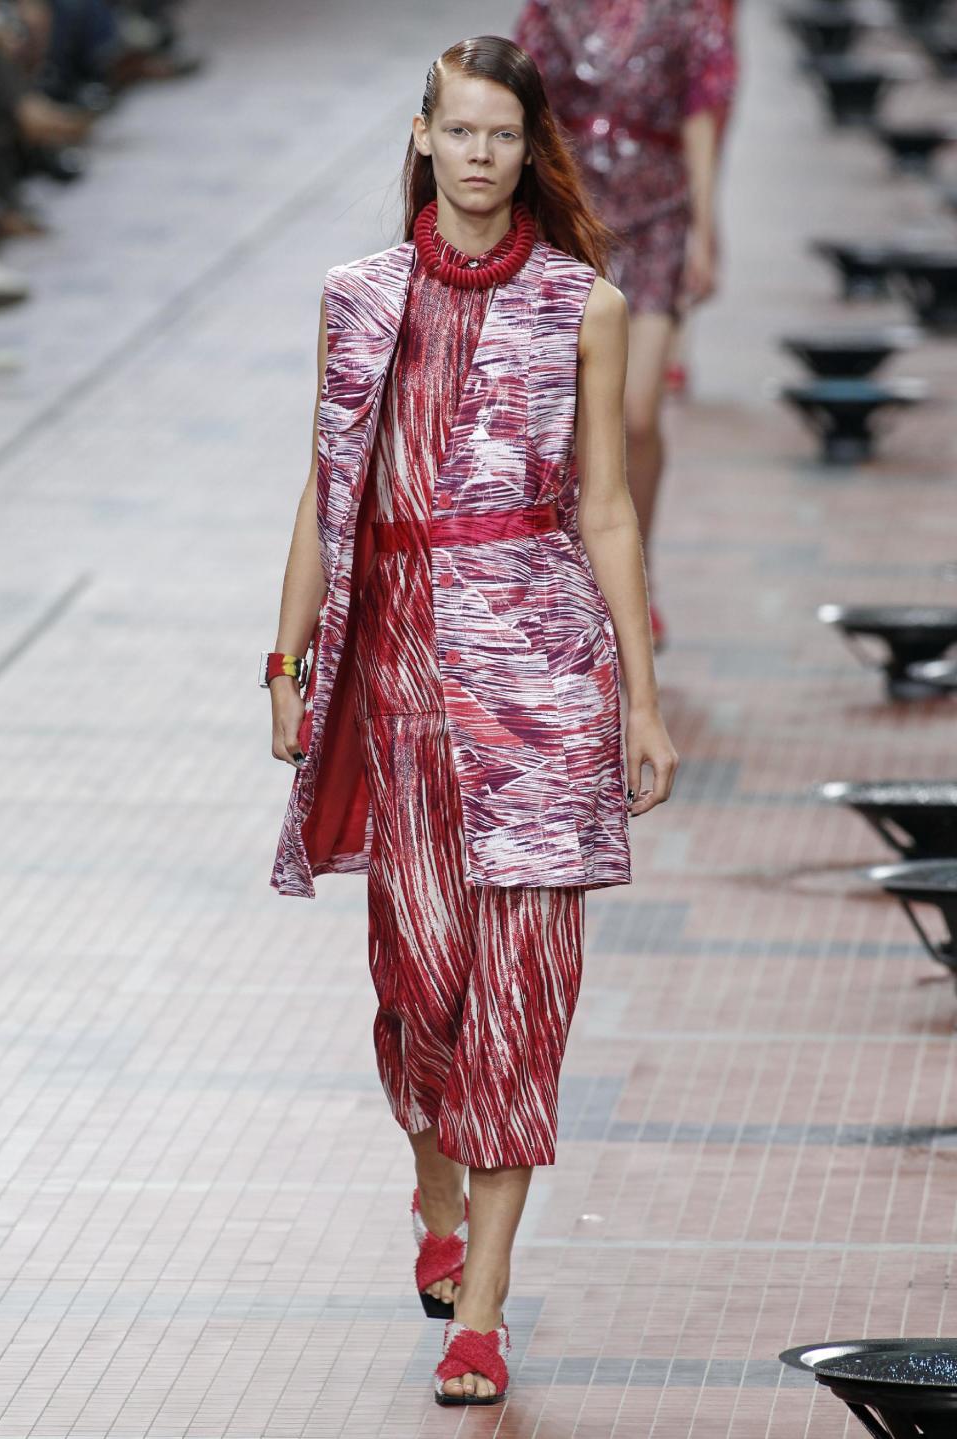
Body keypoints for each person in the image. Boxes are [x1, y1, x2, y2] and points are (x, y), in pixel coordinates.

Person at [264, 34, 678, 1407]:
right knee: (420, 992)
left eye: (506, 134)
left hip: (544, 687)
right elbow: (326, 495)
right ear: (427, 138)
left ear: (528, 146)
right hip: (397, 689)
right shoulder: (357, 297)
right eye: (463, 132)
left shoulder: (584, 305)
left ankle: (483, 1308)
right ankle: (433, 1181)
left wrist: (640, 692)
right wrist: (286, 657)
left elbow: (606, 507)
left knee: (521, 1003)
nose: (484, 155)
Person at [514, 0, 737, 648]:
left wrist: (704, 224)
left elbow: (701, 112)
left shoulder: (688, 13)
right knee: (574, 416)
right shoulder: (551, 9)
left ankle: (639, 576)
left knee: (639, 411)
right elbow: (525, 106)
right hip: (576, 215)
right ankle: (579, 574)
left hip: (661, 213)